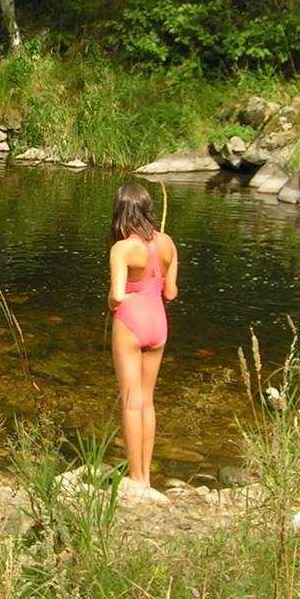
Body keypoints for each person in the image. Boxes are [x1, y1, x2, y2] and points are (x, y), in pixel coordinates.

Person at [107, 182, 178, 488]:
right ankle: (146, 476)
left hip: (131, 322)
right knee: (147, 402)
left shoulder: (122, 249)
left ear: (121, 213)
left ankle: (135, 479)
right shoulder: (168, 244)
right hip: (159, 323)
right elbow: (171, 293)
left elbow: (117, 295)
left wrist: (111, 304)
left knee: (131, 402)